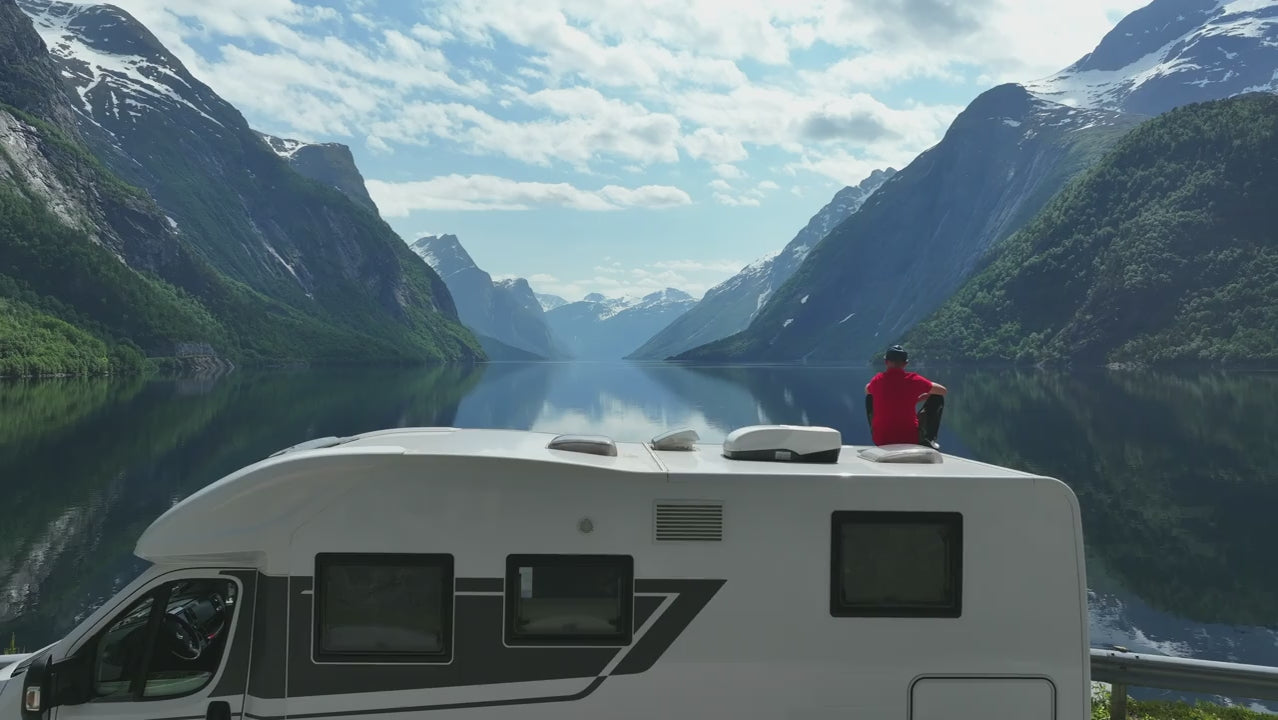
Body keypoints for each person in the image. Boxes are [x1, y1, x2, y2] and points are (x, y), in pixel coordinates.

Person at [864, 345, 947, 449]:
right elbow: (943, 391)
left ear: (886, 362)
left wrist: (912, 399)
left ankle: (877, 430)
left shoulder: (877, 380)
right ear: (905, 363)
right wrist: (925, 394)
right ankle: (928, 439)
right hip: (909, 439)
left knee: (870, 397)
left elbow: (867, 389)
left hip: (881, 440)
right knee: (937, 398)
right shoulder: (913, 380)